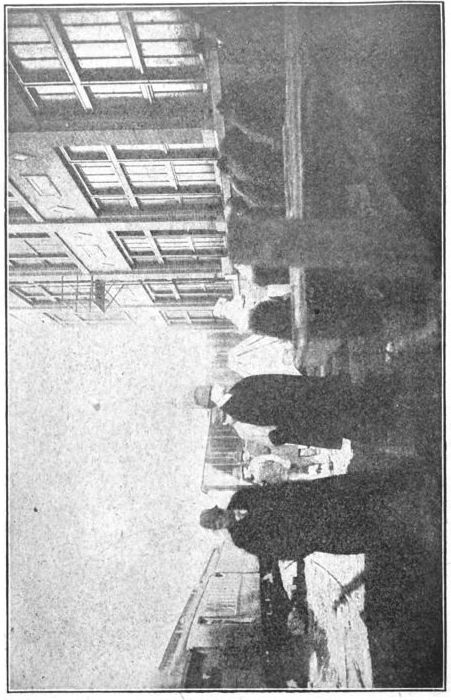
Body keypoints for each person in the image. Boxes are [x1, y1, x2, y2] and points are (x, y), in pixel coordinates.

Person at [199, 463, 436, 565]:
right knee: (366, 536)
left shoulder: (241, 497)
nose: (222, 522)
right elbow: (278, 551)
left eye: (218, 517)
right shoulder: (242, 539)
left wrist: (301, 490)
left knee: (360, 488)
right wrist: (307, 543)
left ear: (219, 510)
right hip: (316, 532)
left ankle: (413, 480)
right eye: (217, 525)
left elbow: (276, 489)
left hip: (313, 498)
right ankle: (417, 535)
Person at [194, 374, 397, 449]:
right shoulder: (237, 407)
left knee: (351, 401)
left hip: (305, 395)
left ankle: (389, 405)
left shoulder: (236, 392)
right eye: (211, 389)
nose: (216, 385)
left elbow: (276, 380)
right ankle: (390, 417)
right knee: (349, 411)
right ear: (212, 399)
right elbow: (273, 411)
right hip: (304, 406)